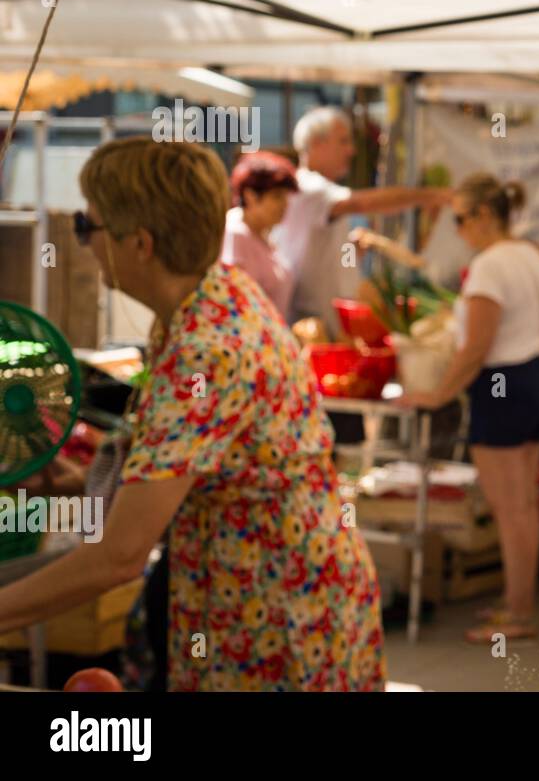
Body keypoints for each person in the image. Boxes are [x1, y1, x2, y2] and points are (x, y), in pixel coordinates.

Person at [0, 137, 386, 691]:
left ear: (140, 243)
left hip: (277, 620)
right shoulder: (214, 293)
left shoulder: (203, 350)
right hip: (269, 595)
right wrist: (79, 486)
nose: (81, 244)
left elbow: (119, 556)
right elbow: (187, 470)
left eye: (88, 228)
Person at [400, 173, 539, 643]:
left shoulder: (490, 266)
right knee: (522, 505)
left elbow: (476, 349)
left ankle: (519, 614)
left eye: (462, 219)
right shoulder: (531, 256)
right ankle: (516, 603)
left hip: (503, 384)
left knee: (511, 510)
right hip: (532, 378)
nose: (459, 228)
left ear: (485, 215)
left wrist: (437, 395)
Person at [274, 106, 447, 337]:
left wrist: (352, 254)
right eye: (343, 141)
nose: (352, 151)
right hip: (316, 328)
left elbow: (325, 257)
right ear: (317, 143)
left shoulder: (322, 191)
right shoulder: (310, 187)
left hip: (332, 326)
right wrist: (429, 196)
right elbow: (361, 203)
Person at [221, 151, 298, 319]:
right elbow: (237, 303)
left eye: (286, 196)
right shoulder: (236, 234)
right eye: (277, 197)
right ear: (250, 196)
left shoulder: (263, 233)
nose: (285, 204)